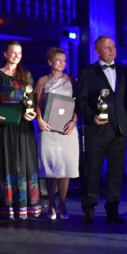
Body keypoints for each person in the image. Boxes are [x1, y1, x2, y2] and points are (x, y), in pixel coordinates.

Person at [75, 36, 127, 223]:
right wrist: (92, 116)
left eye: (112, 46)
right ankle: (89, 207)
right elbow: (81, 100)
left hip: (119, 130)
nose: (111, 50)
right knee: (93, 170)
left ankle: (113, 207)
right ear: (97, 51)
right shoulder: (87, 72)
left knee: (116, 172)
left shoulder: (124, 71)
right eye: (106, 47)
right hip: (96, 130)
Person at [0, 41, 41, 219]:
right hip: (4, 123)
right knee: (6, 162)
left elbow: (30, 100)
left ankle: (25, 205)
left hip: (22, 125)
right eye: (13, 52)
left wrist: (31, 112)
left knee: (23, 162)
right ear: (5, 54)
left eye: (19, 53)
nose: (17, 56)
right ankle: (5, 206)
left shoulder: (26, 75)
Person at [33, 47, 79, 220]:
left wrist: (73, 121)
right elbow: (36, 103)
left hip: (67, 129)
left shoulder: (71, 80)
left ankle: (63, 204)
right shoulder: (43, 80)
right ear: (49, 62)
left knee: (66, 168)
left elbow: (77, 104)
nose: (61, 63)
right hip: (48, 129)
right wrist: (39, 119)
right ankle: (51, 204)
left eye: (64, 60)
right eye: (58, 60)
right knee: (50, 168)